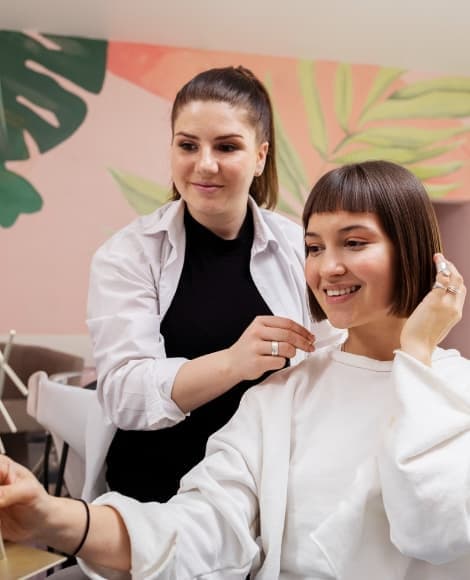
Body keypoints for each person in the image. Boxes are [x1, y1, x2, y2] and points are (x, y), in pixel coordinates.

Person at [0, 160, 468, 580]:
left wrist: (417, 355)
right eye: (313, 247)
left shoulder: (454, 391)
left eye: (354, 242)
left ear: (413, 250)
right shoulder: (282, 396)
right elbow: (203, 526)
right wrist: (50, 515)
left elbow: (434, 532)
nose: (327, 268)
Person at [85, 65, 341, 502]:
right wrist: (233, 363)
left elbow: (333, 360)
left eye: (227, 146)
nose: (205, 164)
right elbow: (123, 395)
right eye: (188, 145)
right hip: (153, 498)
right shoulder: (127, 255)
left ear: (260, 156)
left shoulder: (300, 248)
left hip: (267, 497)